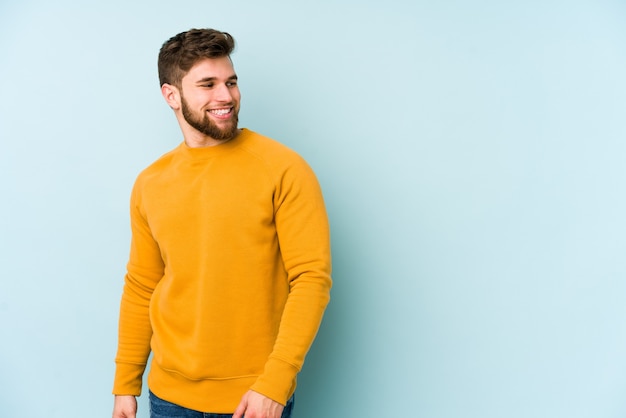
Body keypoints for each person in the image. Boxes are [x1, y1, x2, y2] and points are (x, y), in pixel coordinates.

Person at [112, 28, 332, 418]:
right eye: (207, 84)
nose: (226, 96)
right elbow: (142, 285)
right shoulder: (151, 183)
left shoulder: (283, 169)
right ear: (171, 96)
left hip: (254, 397)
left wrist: (275, 384)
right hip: (167, 398)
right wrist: (126, 385)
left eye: (231, 82)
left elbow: (311, 279)